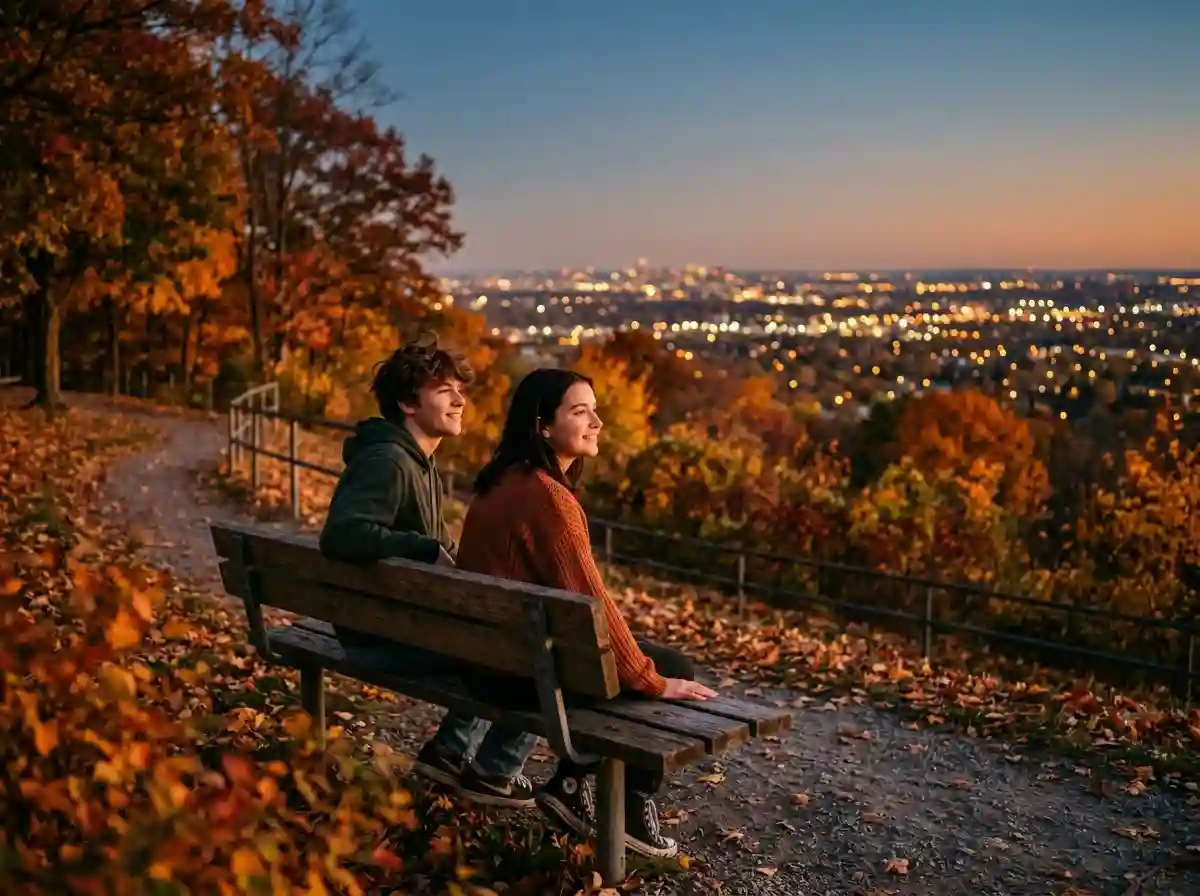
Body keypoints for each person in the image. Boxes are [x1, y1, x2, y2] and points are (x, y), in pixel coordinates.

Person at [446, 367, 717, 858]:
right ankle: (628, 813)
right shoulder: (549, 499)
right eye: (580, 411)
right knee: (672, 667)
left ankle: (554, 784)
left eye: (594, 410)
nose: (597, 421)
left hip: (483, 660)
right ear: (543, 426)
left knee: (610, 657)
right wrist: (652, 678)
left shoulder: (503, 480)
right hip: (514, 674)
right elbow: (592, 603)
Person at [318, 332, 539, 810]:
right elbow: (342, 534)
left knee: (502, 635)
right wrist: (426, 548)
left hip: (390, 620)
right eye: (445, 390)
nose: (461, 400)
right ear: (407, 402)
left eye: (460, 390)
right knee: (530, 652)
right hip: (381, 637)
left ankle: (450, 752)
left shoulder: (413, 460)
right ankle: (493, 771)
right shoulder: (388, 461)